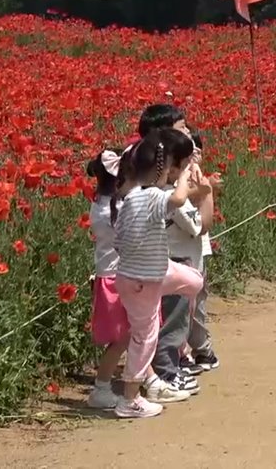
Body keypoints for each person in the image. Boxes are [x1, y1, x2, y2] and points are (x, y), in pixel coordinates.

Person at [111, 128, 206, 418]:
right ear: (163, 170)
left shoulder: (130, 198)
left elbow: (119, 241)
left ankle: (137, 390)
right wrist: (185, 175)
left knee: (193, 281)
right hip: (145, 280)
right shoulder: (153, 195)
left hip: (140, 274)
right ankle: (130, 400)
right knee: (145, 337)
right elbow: (176, 200)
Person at [135, 104, 201, 396]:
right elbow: (186, 212)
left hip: (147, 266)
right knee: (161, 321)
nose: (187, 133)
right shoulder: (154, 193)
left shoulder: (140, 191)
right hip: (159, 263)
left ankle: (168, 367)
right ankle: (165, 372)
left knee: (158, 320)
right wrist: (192, 180)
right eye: (181, 129)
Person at [170, 131, 221, 376]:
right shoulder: (173, 191)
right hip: (183, 256)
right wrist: (206, 190)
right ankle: (188, 353)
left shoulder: (180, 180)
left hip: (190, 252)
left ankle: (187, 352)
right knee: (187, 306)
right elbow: (200, 225)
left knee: (189, 305)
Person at [84, 148, 130, 410]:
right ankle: (101, 388)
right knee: (123, 337)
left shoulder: (100, 203)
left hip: (110, 274)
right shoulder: (114, 208)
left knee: (130, 334)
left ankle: (143, 378)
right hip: (115, 277)